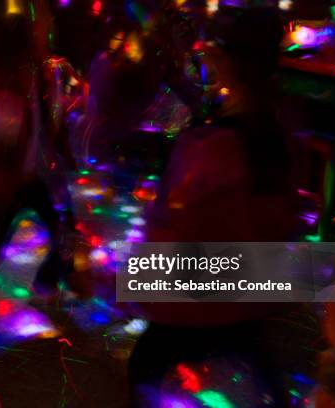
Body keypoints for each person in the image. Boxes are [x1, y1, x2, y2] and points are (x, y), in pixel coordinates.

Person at [129, 3, 299, 407]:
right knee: (260, 362)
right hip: (251, 291)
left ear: (221, 58)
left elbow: (172, 229)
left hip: (201, 298)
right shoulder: (280, 129)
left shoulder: (211, 147)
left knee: (144, 368)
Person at [0, 0, 86, 345]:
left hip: (40, 175)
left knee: (65, 231)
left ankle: (46, 284)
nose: (45, 31)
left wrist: (61, 146)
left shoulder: (42, 69)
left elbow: (49, 120)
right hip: (5, 182)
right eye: (38, 27)